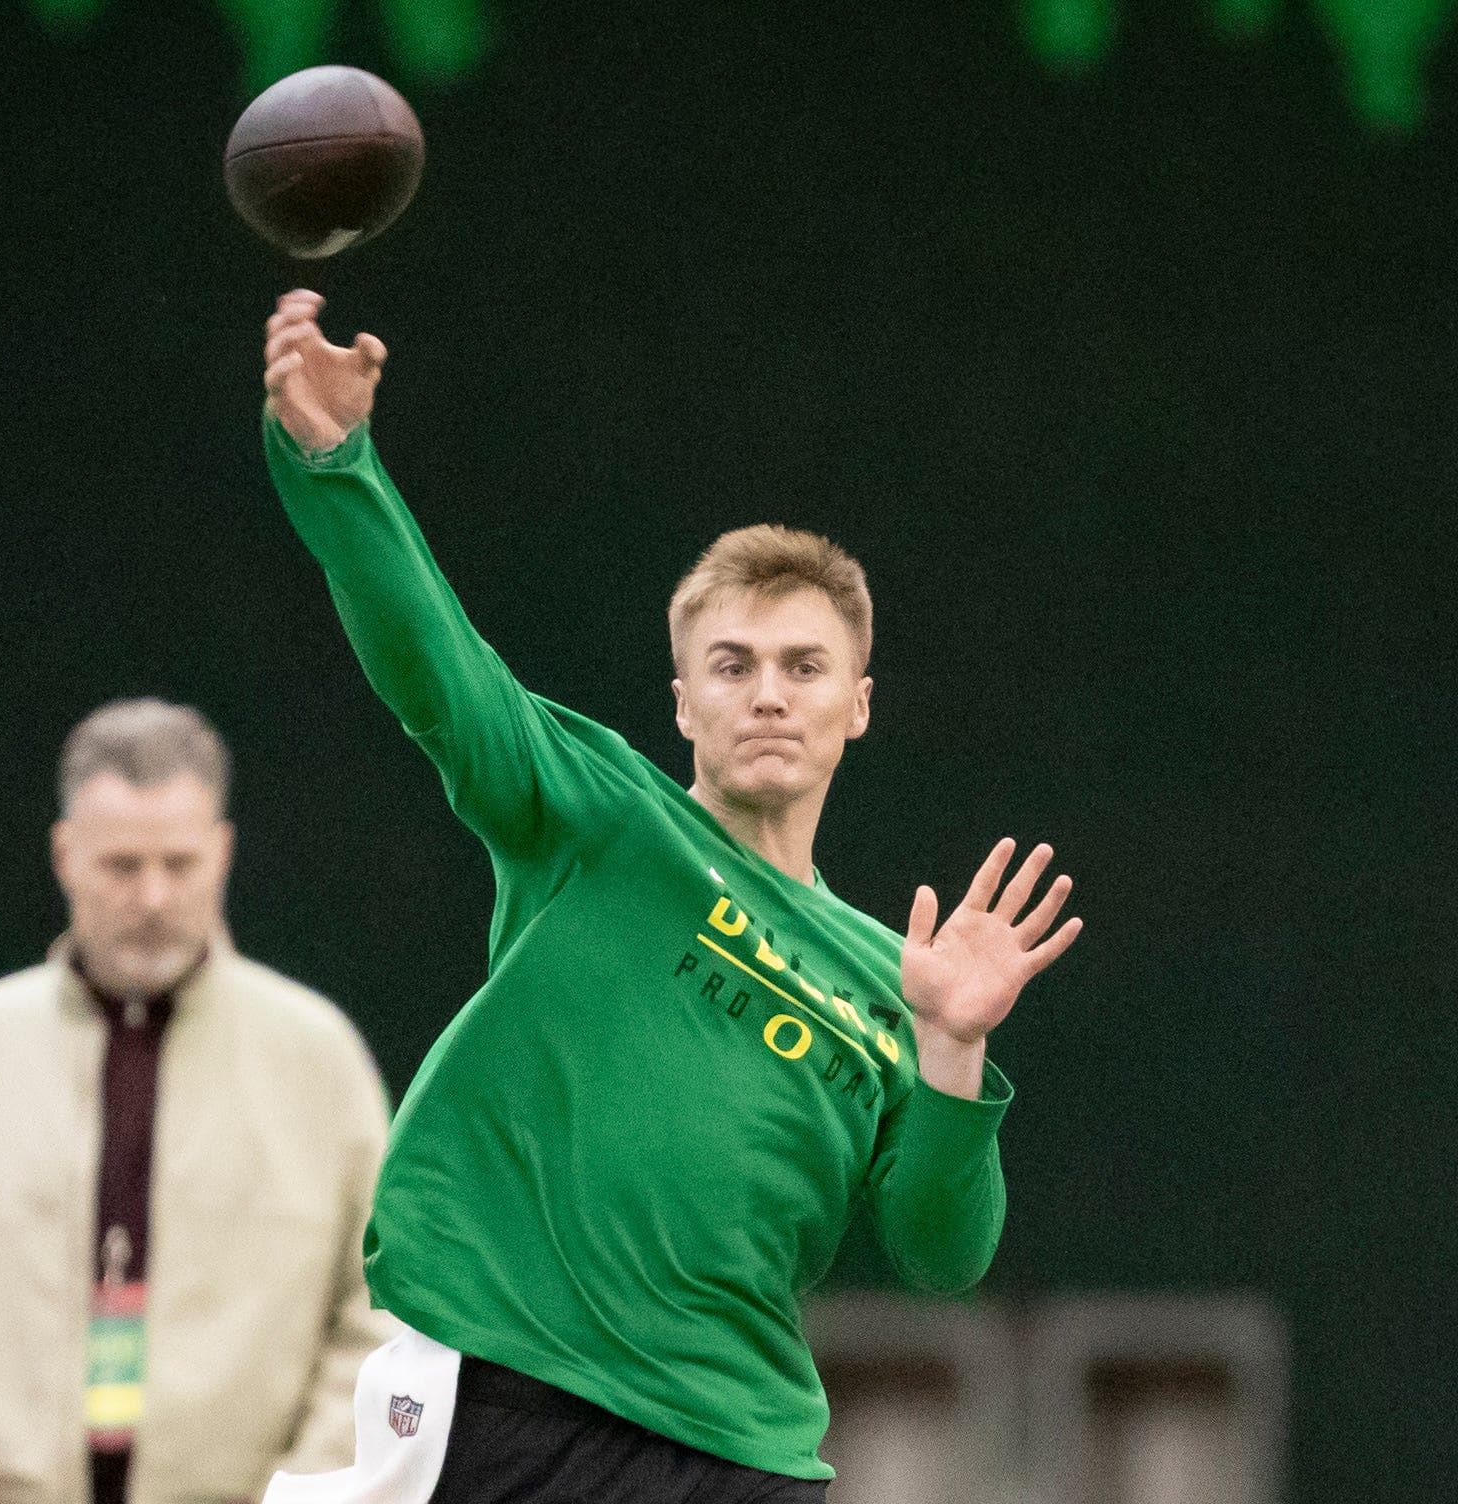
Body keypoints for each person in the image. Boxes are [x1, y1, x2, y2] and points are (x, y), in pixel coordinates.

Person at [253, 290, 1084, 1504]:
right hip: (513, 1405)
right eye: (731, 666)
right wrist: (337, 464)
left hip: (739, 1451)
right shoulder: (598, 815)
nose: (767, 695)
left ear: (855, 705)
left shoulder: (895, 978)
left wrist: (953, 1042)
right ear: (682, 701)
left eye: (805, 667)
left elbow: (938, 1251)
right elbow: (435, 665)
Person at [0, 698, 393, 1504]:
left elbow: (377, 1315)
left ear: (223, 853)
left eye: (178, 865)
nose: (152, 898)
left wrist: (304, 1492)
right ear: (65, 855)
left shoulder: (316, 1057)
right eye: (121, 866)